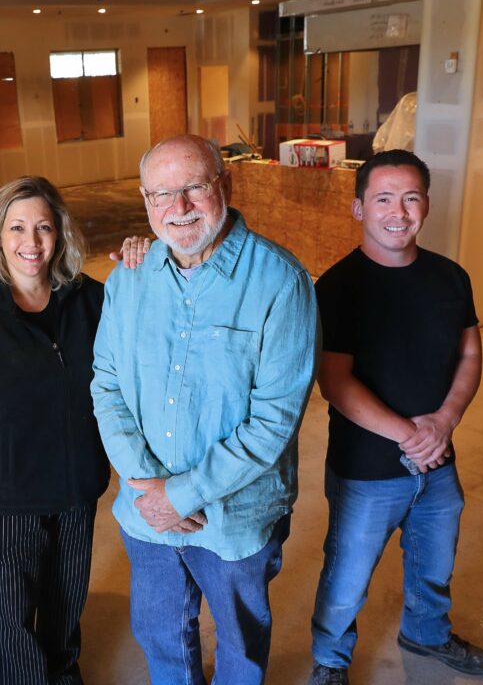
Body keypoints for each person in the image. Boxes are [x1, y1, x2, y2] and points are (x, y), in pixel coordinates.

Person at [91, 134, 320, 684]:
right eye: (161, 194)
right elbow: (107, 384)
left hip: (234, 521)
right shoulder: (129, 277)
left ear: (226, 185)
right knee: (161, 635)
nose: (180, 208)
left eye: (194, 187)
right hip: (145, 515)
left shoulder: (280, 282)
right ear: (146, 202)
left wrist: (182, 495)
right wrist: (150, 487)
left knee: (240, 642)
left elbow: (274, 422)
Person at [308, 149, 483, 685]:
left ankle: (426, 634)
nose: (399, 211)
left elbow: (471, 354)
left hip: (439, 462)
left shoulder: (450, 277)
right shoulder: (339, 287)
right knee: (347, 578)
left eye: (411, 198)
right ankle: (330, 661)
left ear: (426, 205)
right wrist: (412, 434)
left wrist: (445, 421)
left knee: (434, 566)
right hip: (366, 471)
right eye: (383, 198)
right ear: (358, 208)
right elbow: (335, 382)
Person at [0, 176, 109, 685]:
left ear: (61, 234)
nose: (31, 243)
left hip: (76, 492)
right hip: (5, 503)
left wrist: (141, 259)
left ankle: (64, 672)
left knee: (65, 605)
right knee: (12, 622)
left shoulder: (92, 301)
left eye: (43, 228)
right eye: (18, 228)